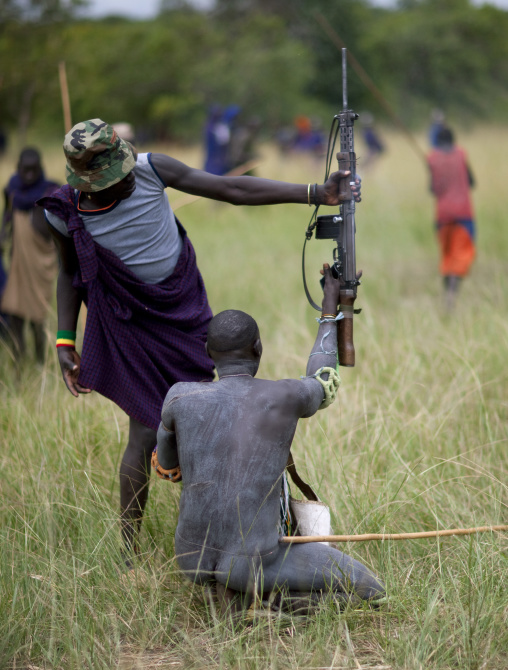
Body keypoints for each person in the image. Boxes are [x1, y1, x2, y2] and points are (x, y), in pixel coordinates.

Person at [39, 118, 360, 555]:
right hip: (131, 324)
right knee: (144, 430)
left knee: (209, 407)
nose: (128, 180)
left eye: (127, 169)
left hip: (183, 309)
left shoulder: (152, 170)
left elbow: (233, 190)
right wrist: (63, 339)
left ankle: (221, 518)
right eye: (116, 179)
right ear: (90, 185)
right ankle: (128, 551)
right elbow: (68, 274)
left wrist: (315, 194)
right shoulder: (65, 213)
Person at [154, 264, 384, 610]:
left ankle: (231, 591)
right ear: (258, 350)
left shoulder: (178, 397)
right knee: (371, 589)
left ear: (208, 354)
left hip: (191, 558)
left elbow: (167, 470)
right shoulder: (284, 396)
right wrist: (328, 307)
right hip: (252, 561)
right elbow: (324, 378)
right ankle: (271, 604)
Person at [0, 148, 59, 362]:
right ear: (18, 169)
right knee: (15, 314)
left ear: (41, 169)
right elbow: (7, 219)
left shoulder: (50, 191)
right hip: (18, 264)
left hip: (40, 264)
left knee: (37, 318)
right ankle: (19, 364)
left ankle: (40, 364)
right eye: (25, 171)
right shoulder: (12, 191)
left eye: (34, 171)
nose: (30, 176)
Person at [427, 126, 476, 310]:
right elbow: (471, 182)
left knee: (447, 256)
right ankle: (451, 297)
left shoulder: (432, 159)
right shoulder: (461, 155)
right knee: (460, 256)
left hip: (443, 216)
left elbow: (433, 189)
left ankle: (448, 295)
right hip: (463, 214)